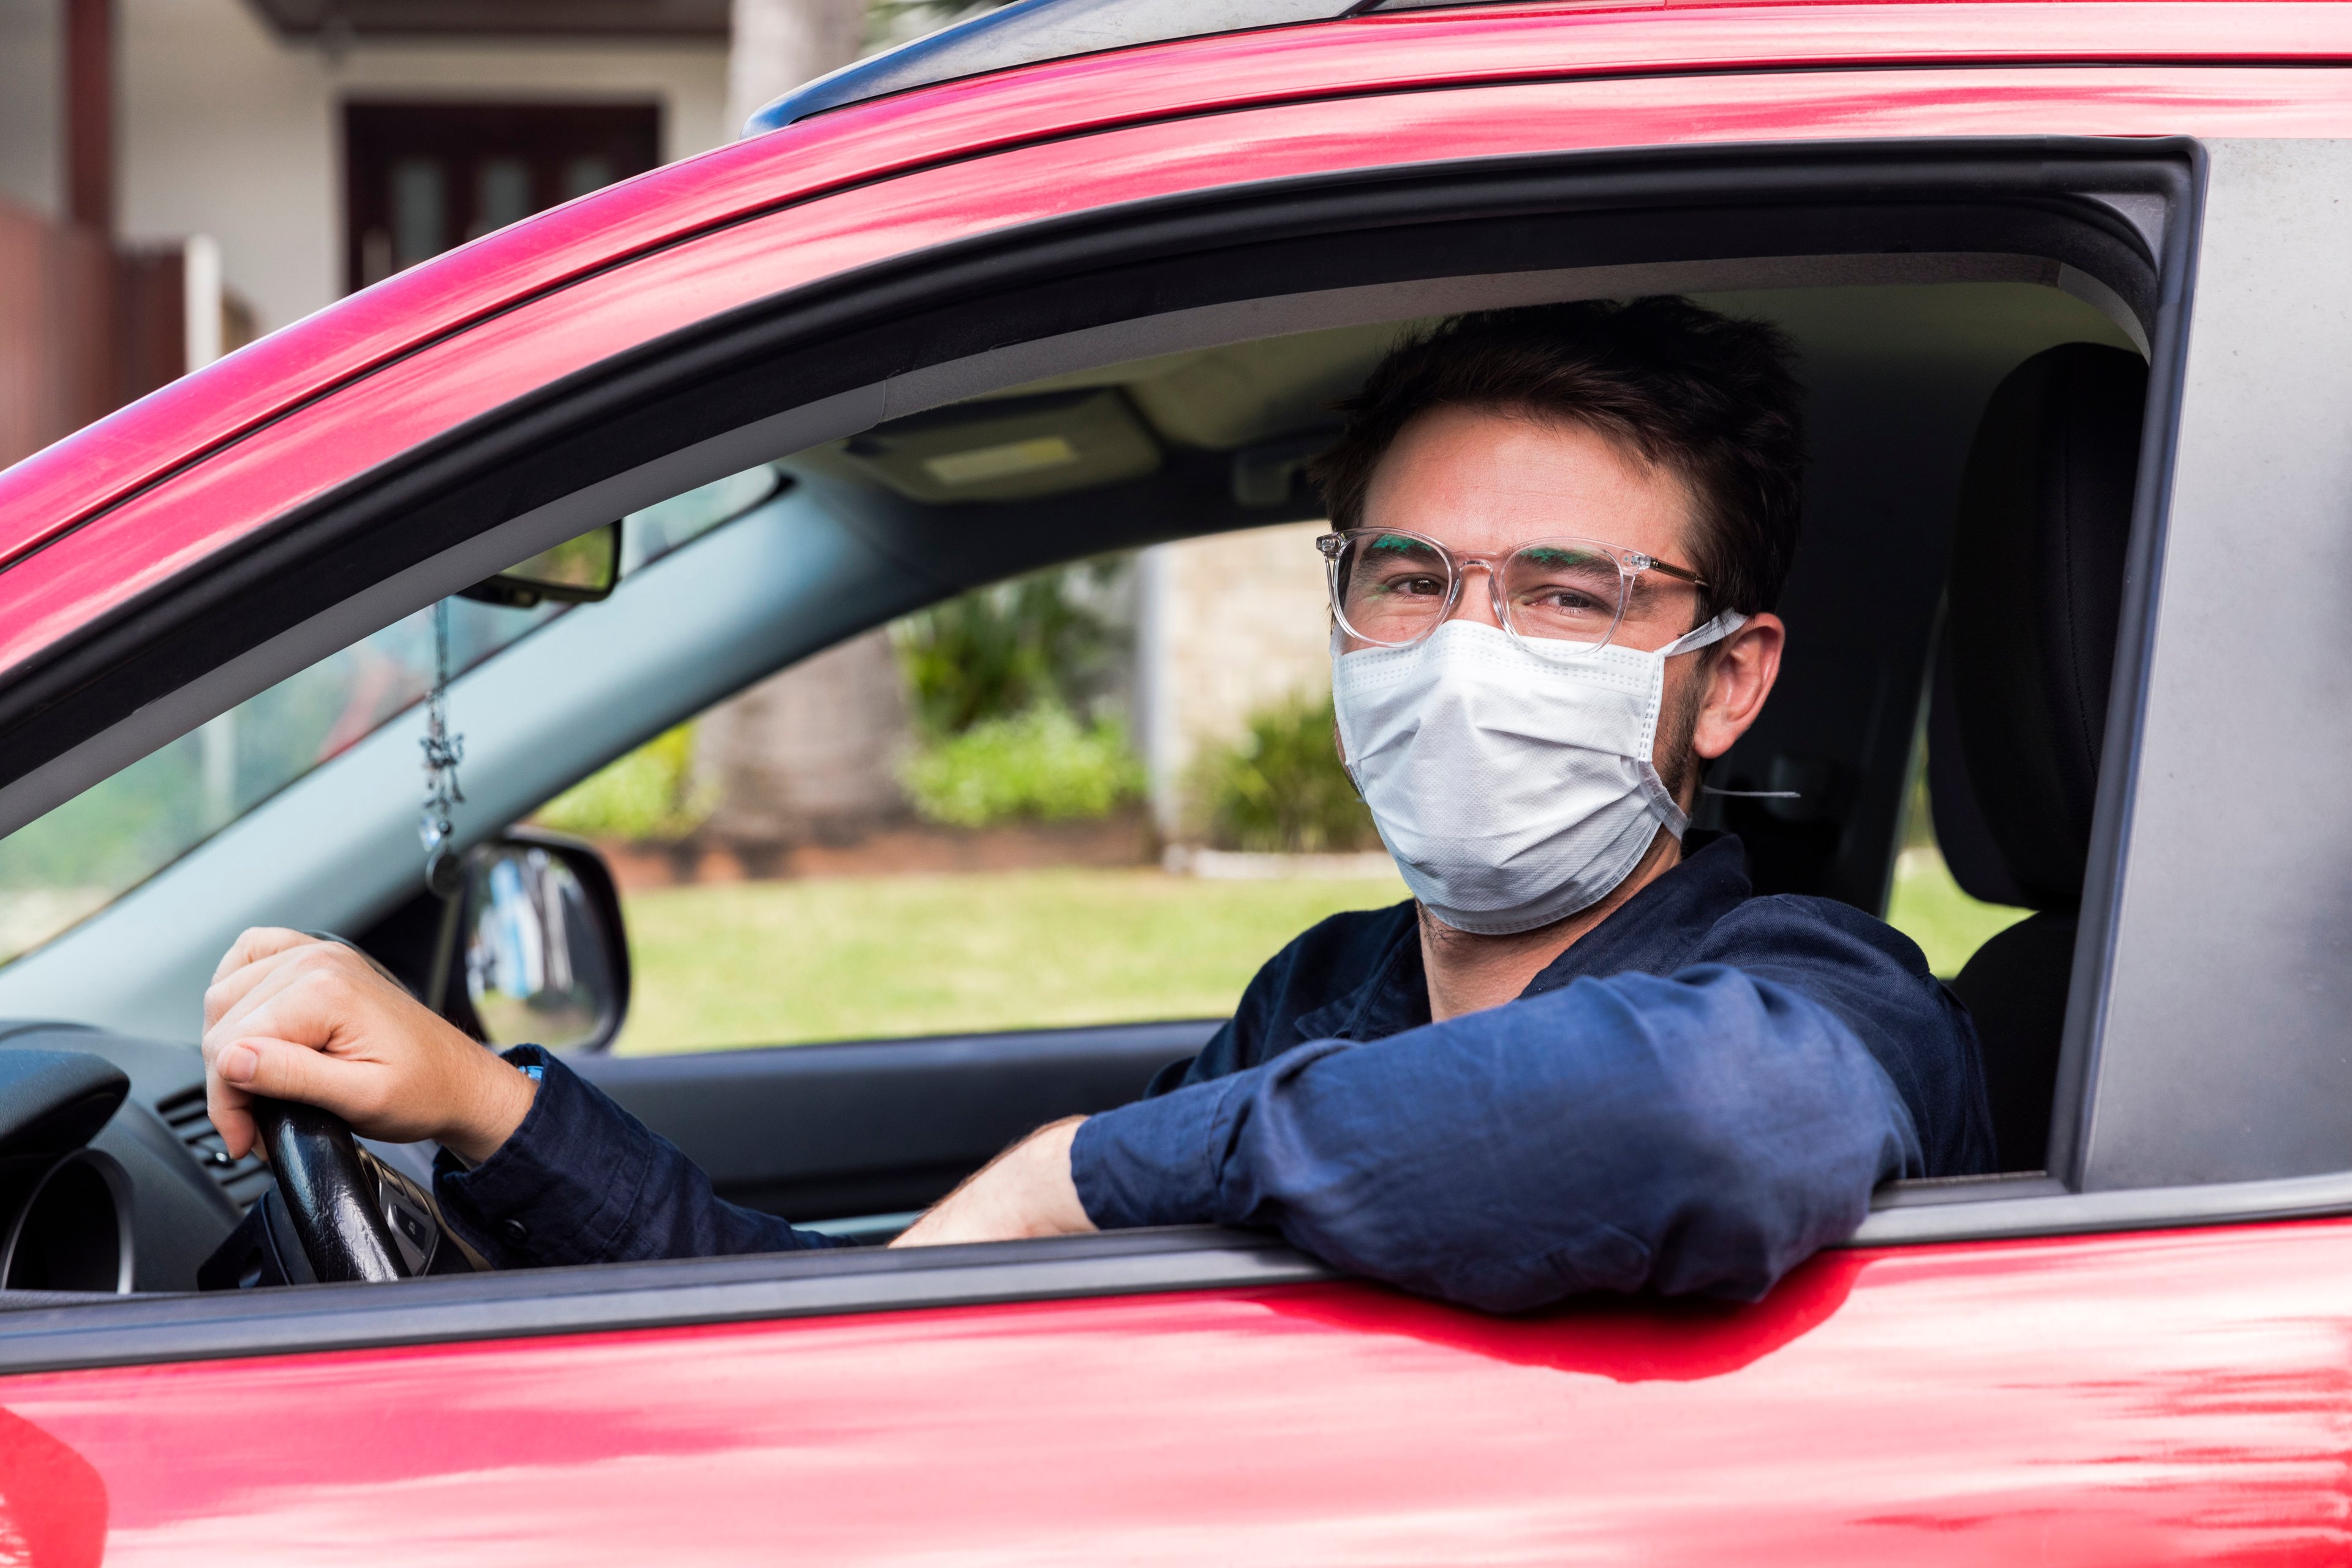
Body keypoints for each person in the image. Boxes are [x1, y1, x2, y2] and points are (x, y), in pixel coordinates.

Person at [201, 299, 1994, 1313]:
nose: (1466, 652)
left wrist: (1085, 1170)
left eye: (1568, 594)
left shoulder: (1820, 985)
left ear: (1729, 678)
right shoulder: (1330, 997)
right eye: (1409, 579)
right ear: (1344, 610)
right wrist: (479, 1106)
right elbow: (901, 1315)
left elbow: (1705, 1129)